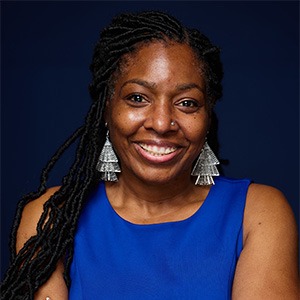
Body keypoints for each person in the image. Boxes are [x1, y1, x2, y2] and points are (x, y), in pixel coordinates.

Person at [1, 10, 298, 300]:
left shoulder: (256, 212)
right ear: (106, 109)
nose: (160, 122)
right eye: (137, 98)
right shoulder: (51, 216)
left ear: (208, 118)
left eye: (187, 103)